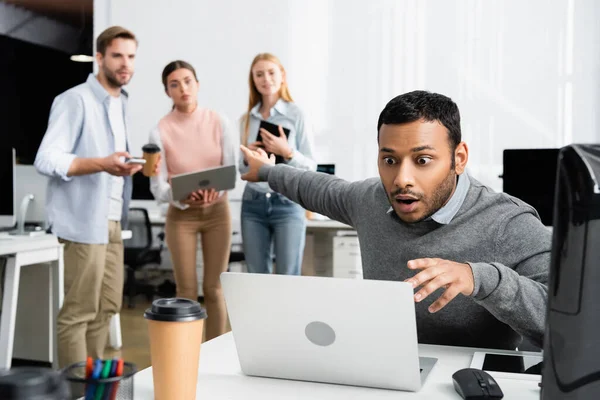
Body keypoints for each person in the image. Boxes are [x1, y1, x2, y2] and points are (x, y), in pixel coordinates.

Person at [239, 90, 550, 350]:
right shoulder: (369, 199)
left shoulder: (509, 220)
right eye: (389, 160)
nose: (402, 179)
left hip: (470, 383)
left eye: (422, 160)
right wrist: (265, 171)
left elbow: (568, 321)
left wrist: (481, 279)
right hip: (383, 371)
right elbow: (318, 187)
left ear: (459, 158)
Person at [34, 26, 159, 367]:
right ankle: (75, 391)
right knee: (79, 312)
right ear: (100, 58)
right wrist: (101, 164)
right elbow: (46, 159)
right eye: (117, 56)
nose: (125, 64)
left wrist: (129, 165)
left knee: (106, 308)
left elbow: (110, 159)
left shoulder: (121, 103)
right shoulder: (75, 100)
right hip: (83, 221)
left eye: (131, 57)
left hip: (113, 220)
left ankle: (94, 387)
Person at [148, 60, 237, 340]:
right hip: (180, 215)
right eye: (174, 84)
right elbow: (157, 186)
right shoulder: (159, 130)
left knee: (214, 289)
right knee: (186, 291)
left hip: (217, 213)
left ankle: (214, 356)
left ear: (197, 85)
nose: (183, 88)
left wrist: (217, 192)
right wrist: (182, 194)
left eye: (187, 81)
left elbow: (231, 169)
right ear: (167, 92)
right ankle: (186, 355)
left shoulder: (219, 121)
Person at [239, 53, 316, 276]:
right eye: (259, 74)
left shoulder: (296, 115)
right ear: (253, 80)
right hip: (252, 203)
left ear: (282, 76)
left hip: (288, 202)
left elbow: (311, 166)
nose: (266, 79)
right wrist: (249, 159)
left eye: (271, 72)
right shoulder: (246, 120)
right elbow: (241, 170)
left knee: (288, 276)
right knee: (256, 276)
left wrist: (287, 152)